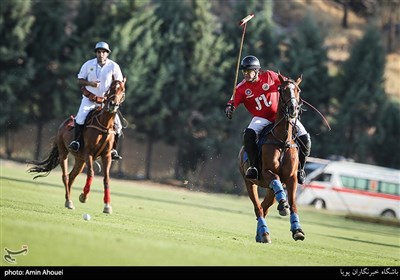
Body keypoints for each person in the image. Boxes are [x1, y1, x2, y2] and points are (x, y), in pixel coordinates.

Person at [225, 55, 311, 184]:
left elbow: (288, 84)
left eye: (249, 71)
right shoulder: (241, 88)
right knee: (248, 135)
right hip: (261, 118)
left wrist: (293, 97)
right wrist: (230, 108)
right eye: (244, 72)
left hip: (282, 116)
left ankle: (300, 169)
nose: (246, 74)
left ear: (257, 71)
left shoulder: (270, 76)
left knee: (305, 138)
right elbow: (231, 103)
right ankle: (254, 167)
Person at [69, 41, 124, 160]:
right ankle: (76, 142)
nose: (101, 54)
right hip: (89, 100)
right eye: (99, 52)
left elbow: (119, 83)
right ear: (96, 53)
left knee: (118, 126)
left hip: (105, 103)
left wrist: (116, 96)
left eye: (104, 52)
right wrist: (90, 84)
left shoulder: (114, 66)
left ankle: (113, 150)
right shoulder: (88, 64)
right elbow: (80, 79)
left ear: (107, 54)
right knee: (80, 119)